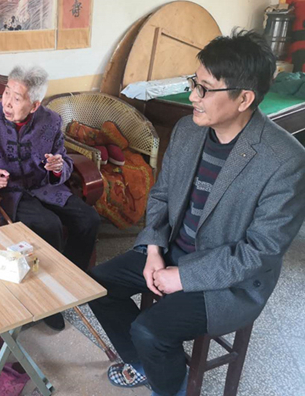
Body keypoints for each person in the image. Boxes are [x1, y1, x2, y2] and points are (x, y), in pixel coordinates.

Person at [88, 29, 305, 396]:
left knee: (149, 330)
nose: (193, 96)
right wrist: (153, 250)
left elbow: (260, 252)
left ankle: (169, 388)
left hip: (230, 281)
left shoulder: (285, 161)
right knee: (96, 286)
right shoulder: (188, 130)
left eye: (205, 89)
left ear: (244, 98)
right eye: (194, 82)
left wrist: (184, 277)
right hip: (172, 249)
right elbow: (161, 196)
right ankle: (144, 365)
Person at [0, 65, 101, 331]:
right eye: (6, 93)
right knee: (48, 225)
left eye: (17, 98)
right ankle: (47, 300)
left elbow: (63, 161)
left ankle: (70, 281)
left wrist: (58, 167)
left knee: (89, 218)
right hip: (11, 194)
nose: (7, 103)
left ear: (34, 105)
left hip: (45, 187)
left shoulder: (51, 121)